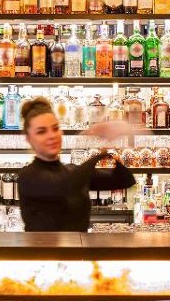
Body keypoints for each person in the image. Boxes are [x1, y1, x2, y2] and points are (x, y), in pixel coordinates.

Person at [17, 97, 136, 232]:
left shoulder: (72, 170)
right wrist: (100, 153)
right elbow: (66, 186)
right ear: (28, 138)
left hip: (79, 246)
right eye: (41, 131)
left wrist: (110, 147)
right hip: (42, 247)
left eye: (55, 128)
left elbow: (125, 180)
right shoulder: (28, 177)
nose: (51, 135)